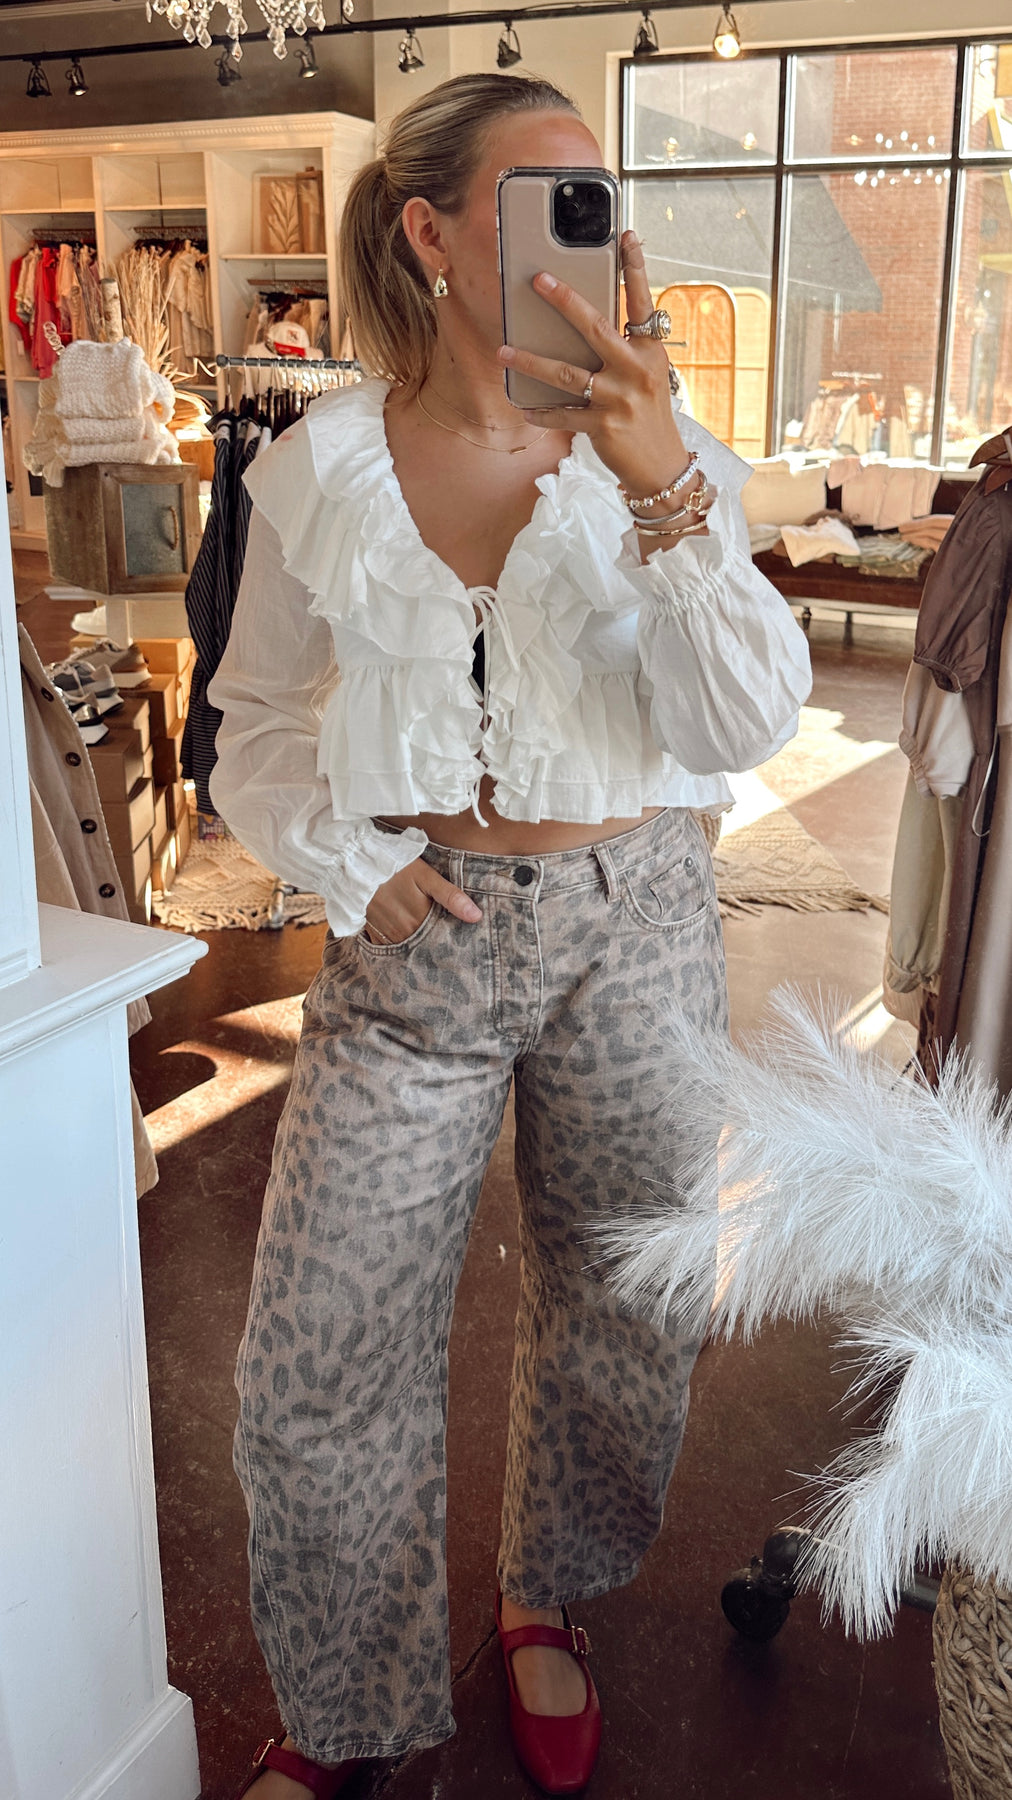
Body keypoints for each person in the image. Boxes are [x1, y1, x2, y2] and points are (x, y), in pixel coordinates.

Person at [209, 71, 812, 1800]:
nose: (594, 236)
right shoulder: (319, 469)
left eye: (603, 203)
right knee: (320, 1350)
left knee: (622, 1296)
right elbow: (254, 724)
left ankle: (547, 1593)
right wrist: (347, 860)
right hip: (415, 946)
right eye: (550, 201)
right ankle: (343, 1703)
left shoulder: (663, 450)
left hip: (639, 922)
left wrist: (665, 490)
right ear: (428, 230)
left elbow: (746, 722)